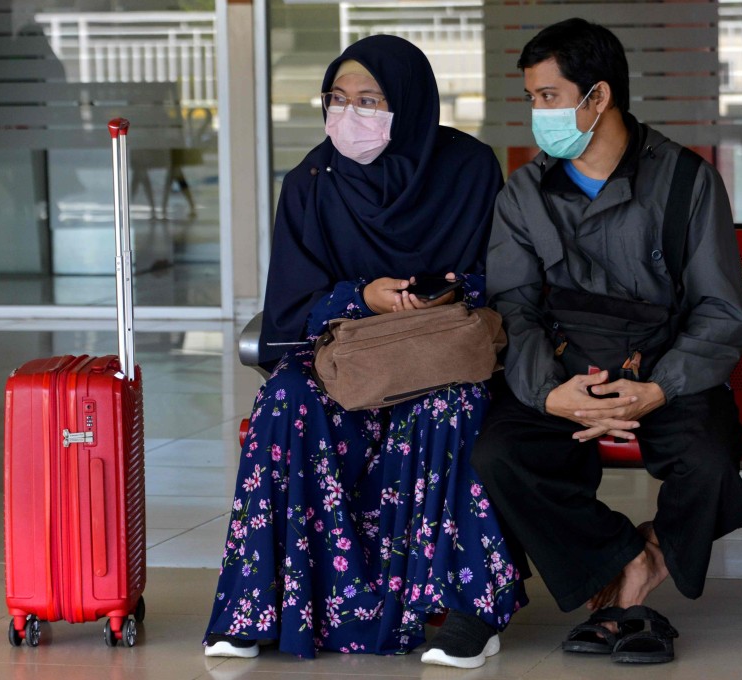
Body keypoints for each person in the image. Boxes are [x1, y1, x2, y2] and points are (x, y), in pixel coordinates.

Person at [202, 34, 526, 668]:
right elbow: (292, 305)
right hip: (343, 358)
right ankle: (260, 608)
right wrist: (360, 296)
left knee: (453, 407)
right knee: (285, 399)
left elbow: (507, 279)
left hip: (435, 356)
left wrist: (441, 292)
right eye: (337, 98)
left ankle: (470, 611)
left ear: (408, 103)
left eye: (371, 100)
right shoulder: (310, 183)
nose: (350, 115)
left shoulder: (469, 168)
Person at [472, 18, 742, 664]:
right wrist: (552, 395)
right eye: (531, 98)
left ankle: (647, 565)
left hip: (665, 369)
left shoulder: (686, 183)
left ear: (596, 99)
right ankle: (621, 556)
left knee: (709, 457)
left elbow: (720, 311)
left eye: (548, 97)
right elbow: (513, 307)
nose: (537, 114)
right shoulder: (523, 195)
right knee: (498, 453)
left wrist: (658, 388)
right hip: (565, 370)